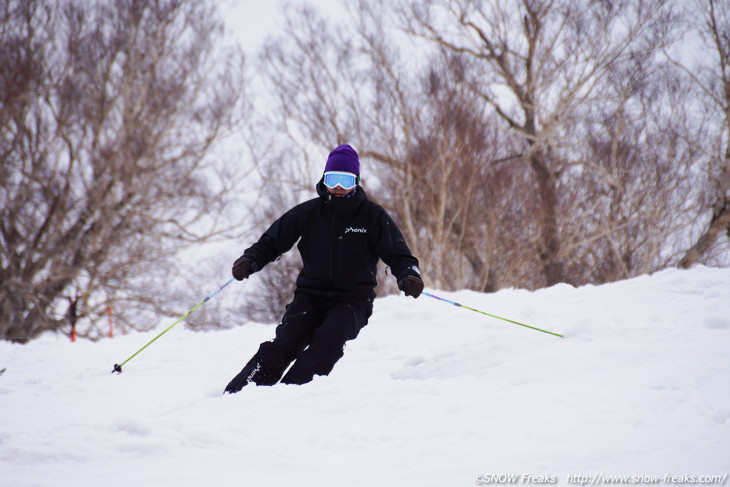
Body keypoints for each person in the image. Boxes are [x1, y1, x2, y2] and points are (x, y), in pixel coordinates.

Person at [224, 144, 424, 393]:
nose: (338, 187)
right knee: (287, 341)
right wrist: (250, 260)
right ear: (324, 179)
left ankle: (289, 394)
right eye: (333, 179)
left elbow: (399, 255)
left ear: (356, 182)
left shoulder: (372, 216)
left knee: (330, 338)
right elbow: (274, 240)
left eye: (345, 180)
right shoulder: (309, 213)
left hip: (352, 301)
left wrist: (408, 275)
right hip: (311, 296)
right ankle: (239, 393)